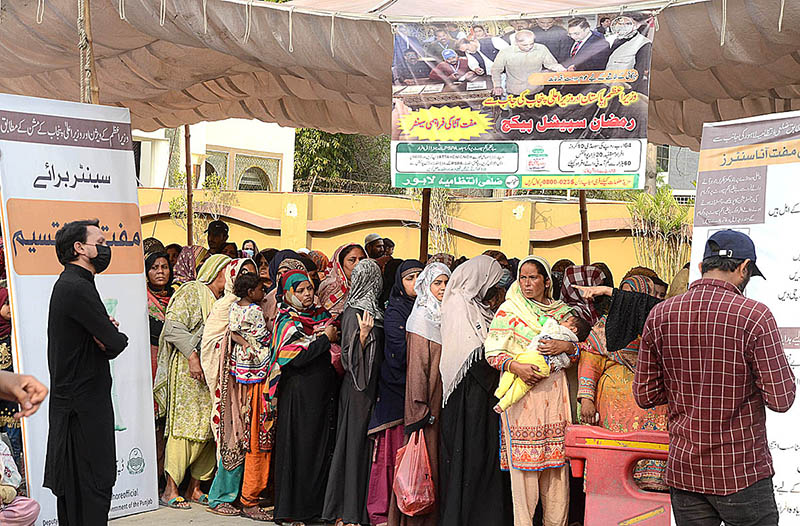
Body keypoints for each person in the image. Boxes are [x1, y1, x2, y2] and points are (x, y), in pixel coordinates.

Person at [634, 230, 796, 525]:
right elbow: (782, 399)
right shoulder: (754, 316)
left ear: (701, 268)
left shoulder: (660, 315)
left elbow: (645, 395)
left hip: (686, 470)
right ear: (744, 268)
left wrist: (685, 388)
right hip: (740, 472)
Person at [44, 219, 129, 525]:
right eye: (101, 241)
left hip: (80, 409)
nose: (106, 248)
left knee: (82, 497)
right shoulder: (76, 287)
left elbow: (104, 337)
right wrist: (109, 337)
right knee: (90, 495)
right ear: (80, 248)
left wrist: (105, 335)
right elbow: (115, 341)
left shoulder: (75, 284)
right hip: (82, 415)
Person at [484, 256, 578, 526]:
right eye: (522, 277)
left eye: (533, 277)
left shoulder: (563, 313)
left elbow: (577, 351)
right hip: (524, 400)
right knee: (524, 478)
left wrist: (567, 348)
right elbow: (492, 353)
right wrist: (516, 367)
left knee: (557, 474)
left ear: (546, 281)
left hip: (555, 400)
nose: (526, 283)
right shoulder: (510, 311)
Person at [153, 254, 231, 510]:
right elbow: (173, 328)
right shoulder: (192, 292)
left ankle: (195, 488)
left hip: (213, 373)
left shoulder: (224, 301)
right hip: (190, 371)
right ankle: (170, 489)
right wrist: (193, 357)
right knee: (185, 429)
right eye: (228, 270)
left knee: (209, 429)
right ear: (217, 271)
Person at [438, 255, 511, 526]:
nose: (494, 286)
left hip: (480, 394)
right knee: (467, 458)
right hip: (467, 394)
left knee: (480, 459)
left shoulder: (475, 305)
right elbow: (470, 351)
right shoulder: (458, 304)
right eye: (492, 279)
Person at [578, 275, 669, 491]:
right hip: (613, 410)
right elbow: (590, 363)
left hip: (652, 408)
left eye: (632, 296)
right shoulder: (604, 327)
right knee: (613, 475)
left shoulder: (660, 327)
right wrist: (586, 400)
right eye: (623, 295)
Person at [202, 259, 272, 521]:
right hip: (233, 382)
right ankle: (222, 496)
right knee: (235, 436)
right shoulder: (224, 307)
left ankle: (245, 495)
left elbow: (234, 333)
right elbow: (212, 343)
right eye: (244, 274)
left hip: (249, 378)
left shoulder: (244, 307)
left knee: (249, 436)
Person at [272, 269, 340, 526]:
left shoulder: (321, 315)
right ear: (288, 293)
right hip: (299, 395)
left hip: (322, 392)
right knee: (300, 450)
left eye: (309, 289)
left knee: (319, 449)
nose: (307, 294)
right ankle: (294, 511)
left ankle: (315, 509)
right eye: (299, 291)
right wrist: (324, 338)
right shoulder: (286, 320)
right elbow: (294, 357)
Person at [322, 259, 385, 526]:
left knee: (363, 448)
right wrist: (362, 336)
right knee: (353, 446)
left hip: (370, 388)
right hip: (358, 389)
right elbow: (349, 358)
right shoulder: (353, 311)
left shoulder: (375, 309)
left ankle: (357, 510)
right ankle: (345, 513)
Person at [368, 260, 423, 526]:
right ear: (399, 283)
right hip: (396, 388)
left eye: (420, 276)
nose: (415, 282)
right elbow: (399, 352)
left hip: (418, 389)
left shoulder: (427, 309)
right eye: (409, 277)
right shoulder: (396, 311)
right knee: (390, 455)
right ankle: (381, 512)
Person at [398, 262, 450, 526]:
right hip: (426, 408)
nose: (442, 288)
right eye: (437, 283)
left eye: (445, 282)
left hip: (438, 404)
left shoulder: (444, 315)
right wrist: (420, 411)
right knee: (421, 469)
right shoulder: (421, 319)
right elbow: (418, 369)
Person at [494, 313, 589, 413]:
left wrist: (567, 346)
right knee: (521, 386)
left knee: (511, 372)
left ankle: (500, 393)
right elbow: (493, 352)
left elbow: (549, 322)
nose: (561, 321)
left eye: (565, 321)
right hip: (544, 370)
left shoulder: (559, 322)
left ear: (574, 329)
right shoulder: (510, 308)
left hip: (534, 360)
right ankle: (503, 404)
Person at [145, 251, 173, 488]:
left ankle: (164, 476)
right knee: (152, 423)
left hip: (172, 365)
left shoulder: (176, 297)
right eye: (155, 267)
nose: (161, 272)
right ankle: (150, 477)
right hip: (150, 365)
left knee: (166, 425)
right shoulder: (140, 298)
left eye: (164, 267)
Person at [491, 30, 567, 97]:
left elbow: (551, 64)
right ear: (516, 42)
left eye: (531, 43)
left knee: (537, 113)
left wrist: (561, 69)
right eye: (525, 45)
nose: (529, 47)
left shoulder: (541, 49)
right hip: (515, 92)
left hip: (537, 91)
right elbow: (496, 70)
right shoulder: (505, 52)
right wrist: (497, 86)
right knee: (517, 113)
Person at [605, 14, 652, 93]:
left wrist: (627, 91)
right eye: (621, 23)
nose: (623, 26)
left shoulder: (644, 43)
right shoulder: (616, 40)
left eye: (628, 24)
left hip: (625, 91)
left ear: (637, 25)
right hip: (608, 87)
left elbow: (639, 73)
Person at [318, 244, 367, 317]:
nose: (358, 263)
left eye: (362, 259)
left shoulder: (370, 286)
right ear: (340, 264)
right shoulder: (331, 287)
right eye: (352, 260)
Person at [0, 437, 39, 526]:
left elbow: (14, 479)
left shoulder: (2, 446)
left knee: (31, 507)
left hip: (4, 503)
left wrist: (4, 493)